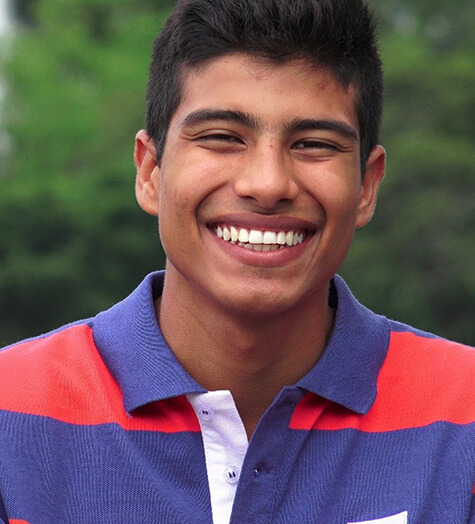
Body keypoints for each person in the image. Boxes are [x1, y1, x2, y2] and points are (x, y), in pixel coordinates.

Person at [0, 0, 473, 522]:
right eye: (222, 138)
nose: (268, 184)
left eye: (313, 144)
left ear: (367, 186)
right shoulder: (10, 413)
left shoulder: (465, 414)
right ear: (151, 171)